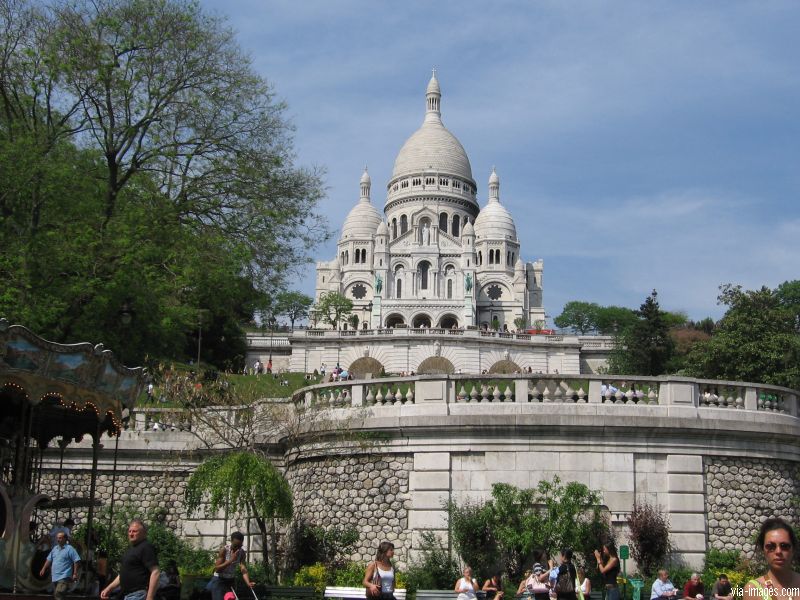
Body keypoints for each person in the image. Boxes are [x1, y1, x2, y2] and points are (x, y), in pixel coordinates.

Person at [101, 519, 160, 600]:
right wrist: (109, 588)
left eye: (135, 531)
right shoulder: (131, 550)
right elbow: (123, 574)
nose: (131, 534)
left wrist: (150, 597)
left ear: (143, 533)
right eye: (129, 531)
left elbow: (155, 572)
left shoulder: (146, 547)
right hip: (127, 595)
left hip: (138, 594)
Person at [743, 517, 800, 600]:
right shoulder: (753, 590)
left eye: (784, 546)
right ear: (763, 550)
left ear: (793, 549)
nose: (778, 551)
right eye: (770, 546)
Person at [207, 532, 254, 600]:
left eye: (240, 546)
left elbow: (243, 569)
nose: (237, 548)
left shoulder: (242, 553)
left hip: (230, 580)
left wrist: (248, 583)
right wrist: (230, 560)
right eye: (235, 546)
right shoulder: (224, 550)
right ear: (231, 541)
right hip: (219, 580)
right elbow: (217, 569)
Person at [40, 531, 81, 600]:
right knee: (58, 595)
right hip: (55, 577)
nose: (58, 540)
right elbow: (49, 559)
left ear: (65, 539)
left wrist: (75, 573)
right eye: (57, 538)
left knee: (58, 593)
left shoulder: (69, 549)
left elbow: (76, 560)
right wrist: (43, 568)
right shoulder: (55, 548)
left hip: (64, 576)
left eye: (60, 538)